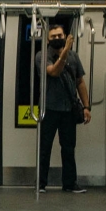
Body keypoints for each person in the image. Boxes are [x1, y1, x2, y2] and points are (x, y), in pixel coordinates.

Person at [35, 25, 90, 194]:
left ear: (65, 36)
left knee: (68, 148)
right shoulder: (42, 56)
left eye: (60, 35)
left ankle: (70, 183)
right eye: (53, 36)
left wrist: (86, 106)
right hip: (49, 108)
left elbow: (79, 81)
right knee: (45, 147)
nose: (57, 38)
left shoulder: (74, 56)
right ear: (48, 40)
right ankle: (40, 183)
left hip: (68, 109)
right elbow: (54, 71)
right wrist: (65, 50)